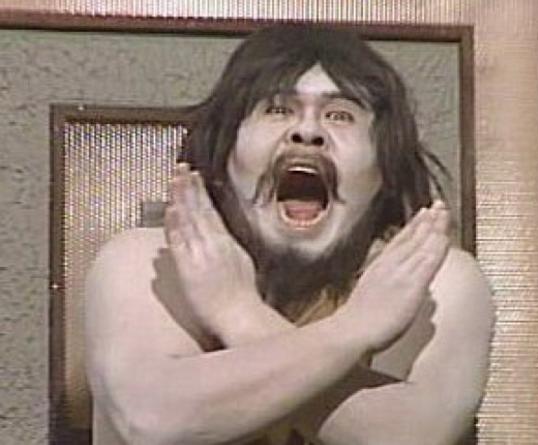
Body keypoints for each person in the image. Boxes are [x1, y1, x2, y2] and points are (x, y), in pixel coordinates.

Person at [85, 24, 494, 445]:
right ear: (224, 157)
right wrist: (354, 330)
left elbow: (413, 435)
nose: (308, 131)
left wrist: (238, 313)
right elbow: (153, 418)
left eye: (340, 115)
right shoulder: (147, 261)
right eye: (278, 109)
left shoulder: (431, 281)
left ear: (384, 173)